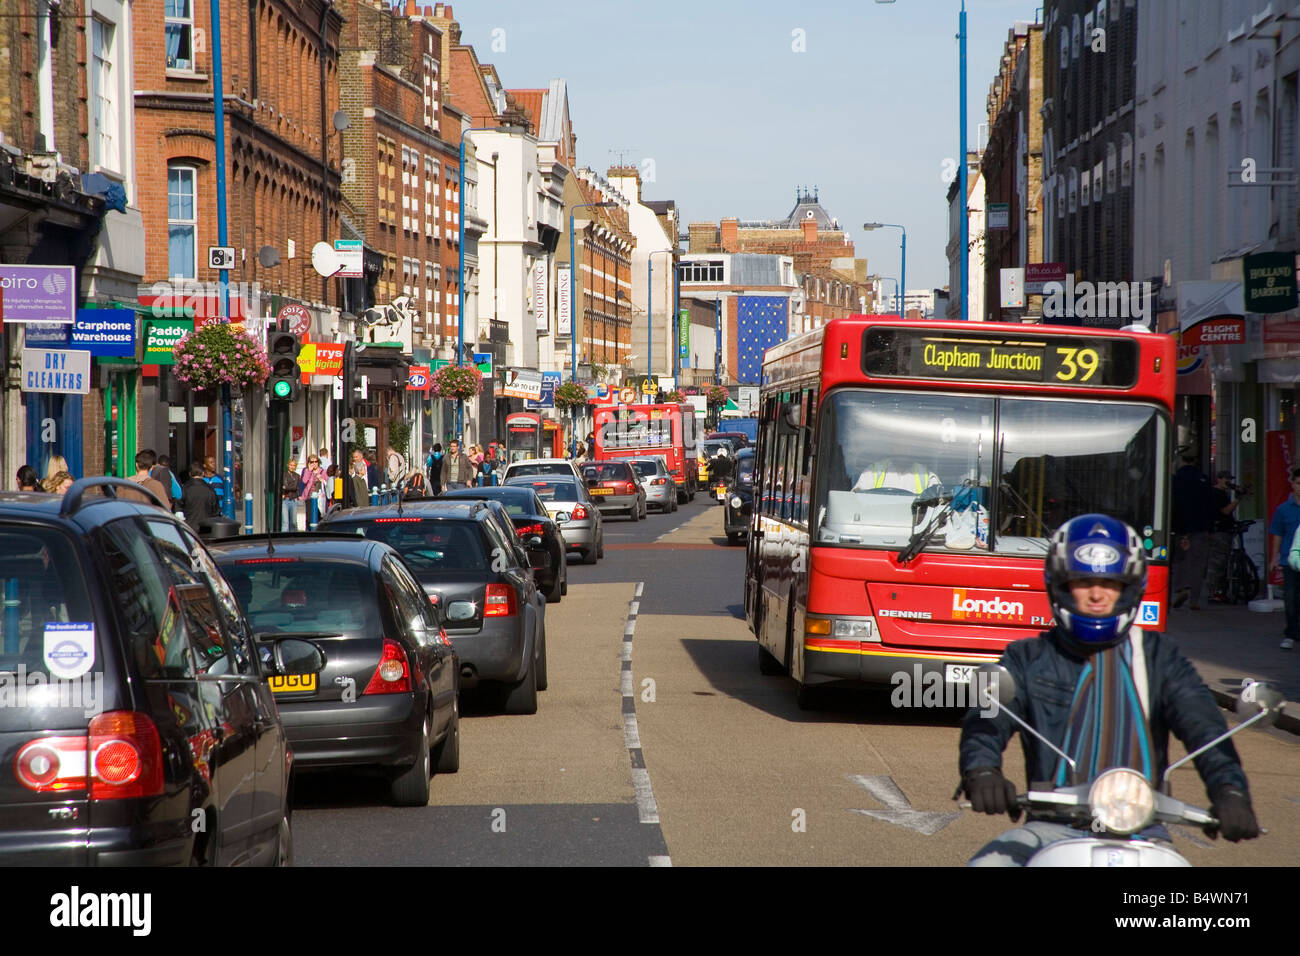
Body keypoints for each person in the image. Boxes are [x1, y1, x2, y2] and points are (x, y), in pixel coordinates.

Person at [959, 513, 1259, 866]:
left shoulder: (1160, 657)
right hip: (1050, 829)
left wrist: (1230, 790)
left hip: (1145, 832)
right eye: (1083, 581)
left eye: (1111, 582)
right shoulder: (1027, 657)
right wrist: (983, 772)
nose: (1098, 594)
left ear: (1129, 587)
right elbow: (988, 719)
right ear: (1059, 584)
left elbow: (1204, 727)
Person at [1171, 454, 1214, 610]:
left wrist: (1177, 528)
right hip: (1201, 528)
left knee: (1180, 561)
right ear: (1194, 461)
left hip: (1181, 528)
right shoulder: (1203, 478)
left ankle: (1181, 589)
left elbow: (1174, 504)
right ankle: (1194, 599)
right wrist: (1210, 527)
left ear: (1181, 461)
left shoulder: (1176, 479)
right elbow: (1211, 504)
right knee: (1198, 563)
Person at [1269, 466, 1300, 651]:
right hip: (1290, 560)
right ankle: (1291, 633)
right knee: (1290, 598)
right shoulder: (1283, 510)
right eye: (1298, 483)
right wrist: (1274, 558)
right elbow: (1277, 534)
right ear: (1292, 485)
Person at [1206, 470, 1243, 604]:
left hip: (1223, 530)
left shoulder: (1220, 493)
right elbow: (1225, 511)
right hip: (1220, 531)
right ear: (1219, 479)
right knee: (1218, 561)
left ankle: (1217, 591)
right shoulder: (1216, 493)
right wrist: (1238, 499)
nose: (1229, 482)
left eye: (1230, 479)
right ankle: (1214, 592)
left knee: (1221, 560)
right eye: (1226, 479)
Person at [852, 457, 942, 494]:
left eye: (906, 442)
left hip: (917, 531)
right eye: (898, 443)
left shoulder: (927, 476)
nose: (903, 448)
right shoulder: (873, 472)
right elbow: (855, 502)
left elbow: (939, 509)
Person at [181, 460, 220, 530]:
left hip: (189, 529)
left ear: (189, 474)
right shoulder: (210, 490)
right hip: (206, 529)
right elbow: (216, 512)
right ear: (203, 473)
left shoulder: (184, 489)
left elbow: (179, 511)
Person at [299, 454, 328, 520]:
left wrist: (321, 479)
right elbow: (304, 481)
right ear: (309, 463)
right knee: (309, 517)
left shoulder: (323, 471)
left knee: (319, 515)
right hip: (309, 496)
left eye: (316, 461)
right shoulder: (306, 470)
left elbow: (327, 483)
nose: (314, 463)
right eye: (312, 462)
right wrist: (309, 470)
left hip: (319, 497)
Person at [280, 458, 301, 531]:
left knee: (293, 522)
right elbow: (284, 487)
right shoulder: (284, 475)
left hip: (294, 500)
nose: (292, 467)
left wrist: (288, 487)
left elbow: (296, 487)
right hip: (285, 499)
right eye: (291, 465)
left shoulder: (297, 476)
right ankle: (283, 540)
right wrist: (287, 487)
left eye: (294, 465)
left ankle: (294, 538)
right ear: (288, 465)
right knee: (285, 522)